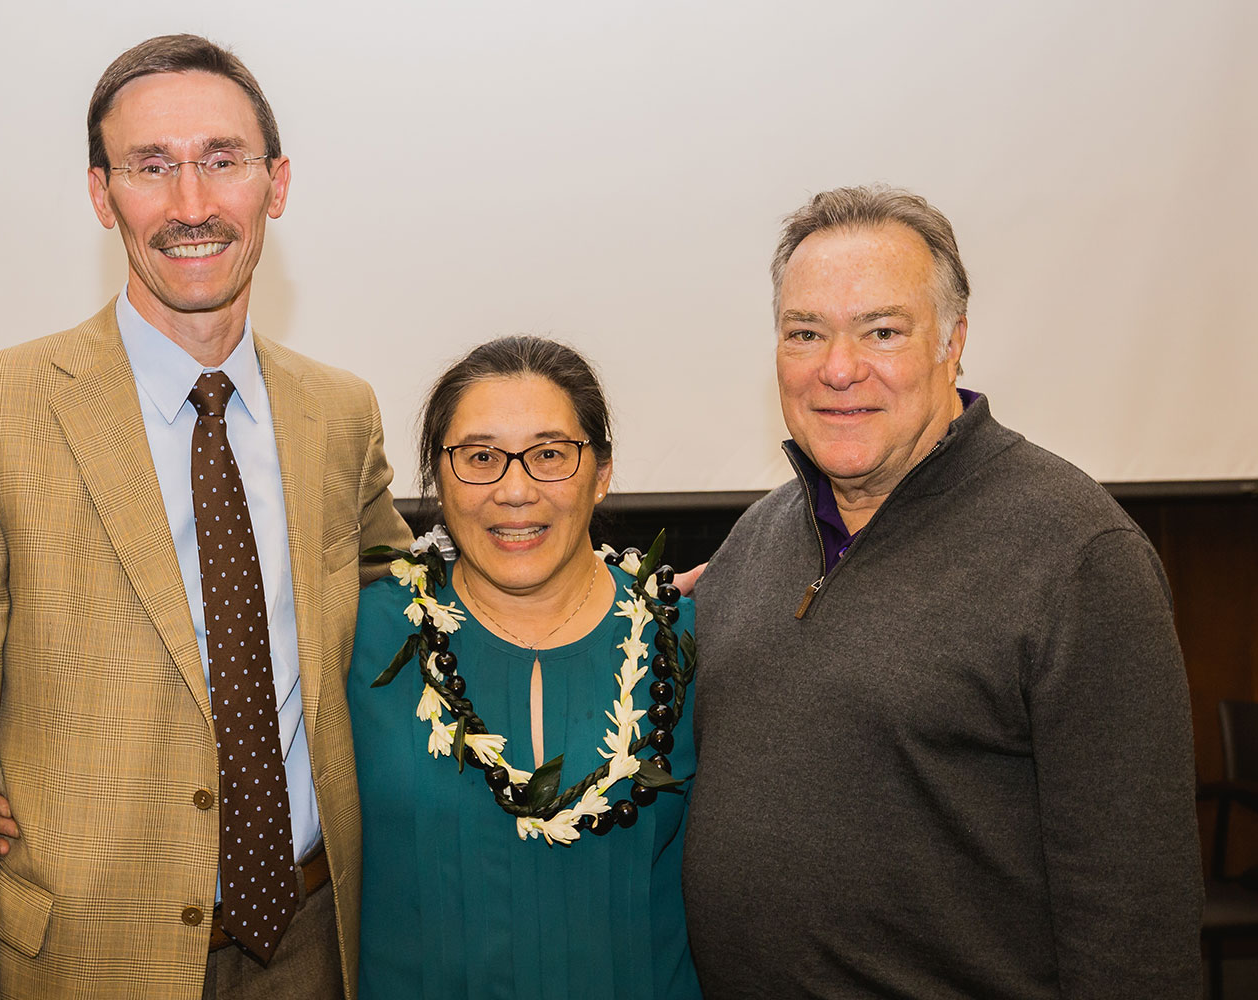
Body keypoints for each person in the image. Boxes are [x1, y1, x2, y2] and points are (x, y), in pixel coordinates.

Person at [0, 35, 410, 1000]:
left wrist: (627, 602)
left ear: (275, 184)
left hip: (320, 944)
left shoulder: (341, 414)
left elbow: (412, 615)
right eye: (150, 167)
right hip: (85, 962)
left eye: (221, 160)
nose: (191, 205)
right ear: (100, 194)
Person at [682, 185, 1202, 999]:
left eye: (882, 331)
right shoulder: (757, 539)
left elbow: (1136, 917)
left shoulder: (1078, 558)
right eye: (805, 333)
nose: (838, 368)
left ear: (952, 342)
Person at [346, 337, 702, 999]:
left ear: (601, 473)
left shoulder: (680, 645)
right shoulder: (359, 637)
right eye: (480, 457)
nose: (515, 490)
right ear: (438, 475)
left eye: (549, 455)